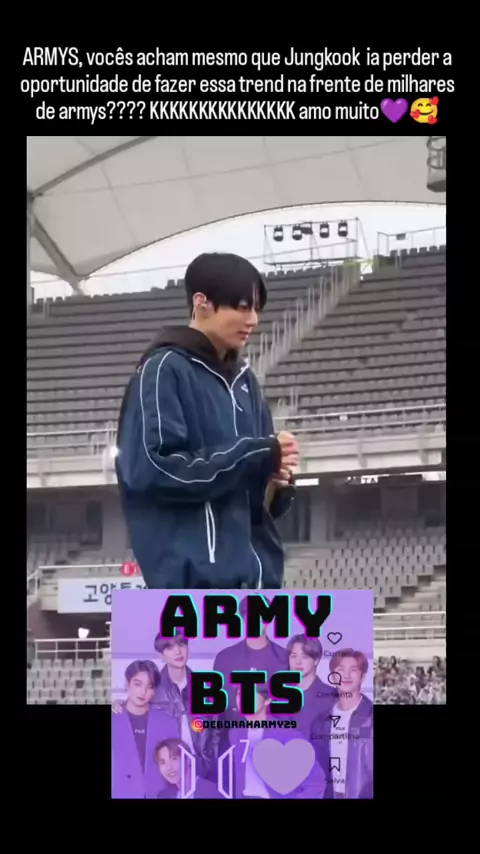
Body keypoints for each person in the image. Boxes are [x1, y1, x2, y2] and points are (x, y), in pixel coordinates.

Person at [115, 252, 299, 589]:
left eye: (257, 309)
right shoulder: (163, 370)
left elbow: (255, 501)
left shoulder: (246, 380)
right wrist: (254, 455)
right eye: (241, 307)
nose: (253, 320)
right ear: (202, 303)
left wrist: (276, 478)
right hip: (192, 590)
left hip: (260, 586)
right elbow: (155, 470)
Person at [112, 633, 219, 781]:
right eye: (169, 648)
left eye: (181, 645)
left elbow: (216, 732)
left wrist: (209, 764)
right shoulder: (152, 690)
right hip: (164, 773)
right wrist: (117, 705)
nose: (178, 652)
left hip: (202, 769)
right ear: (162, 656)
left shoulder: (205, 688)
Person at [225, 684, 325, 799]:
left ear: (267, 700)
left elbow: (316, 783)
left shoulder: (287, 735)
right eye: (239, 694)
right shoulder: (235, 734)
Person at [310, 649, 373, 799]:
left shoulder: (370, 717)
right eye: (341, 670)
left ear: (363, 676)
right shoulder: (320, 722)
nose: (346, 675)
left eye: (353, 670)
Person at [111, 660, 178, 799]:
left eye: (150, 687)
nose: (143, 692)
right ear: (127, 683)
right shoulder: (114, 719)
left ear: (154, 691)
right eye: (138, 684)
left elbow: (178, 763)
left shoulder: (167, 722)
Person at [286, 634, 337, 737]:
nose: (298, 662)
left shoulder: (332, 696)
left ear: (316, 660)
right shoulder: (278, 696)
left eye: (304, 656)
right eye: (293, 656)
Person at [155, 738, 222, 799]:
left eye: (174, 759)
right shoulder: (163, 796)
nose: (169, 767)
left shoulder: (214, 792)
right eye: (162, 762)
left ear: (188, 760)